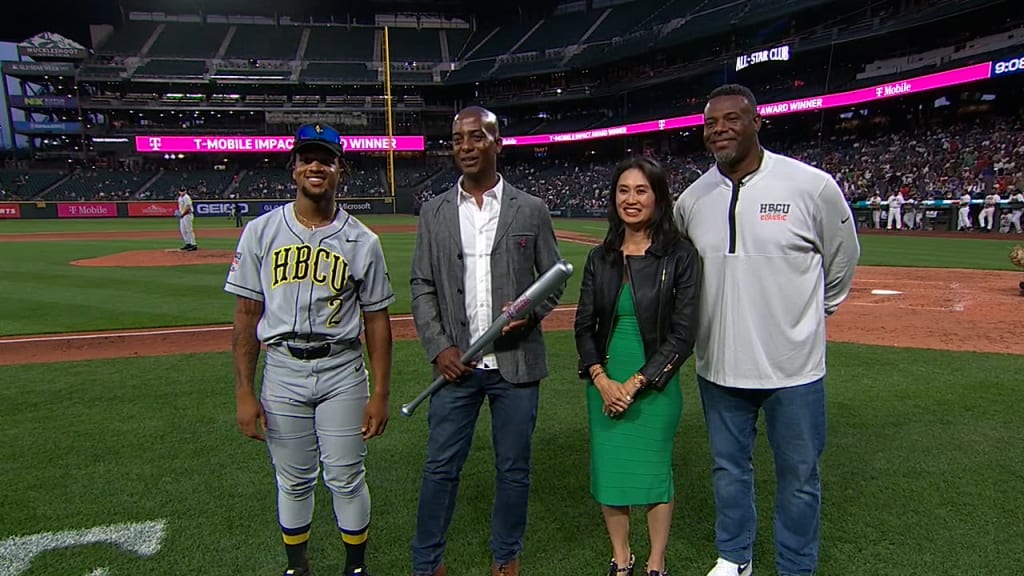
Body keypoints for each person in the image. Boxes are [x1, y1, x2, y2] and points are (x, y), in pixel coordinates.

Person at [673, 84, 860, 576]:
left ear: (757, 122)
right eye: (711, 123)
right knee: (729, 470)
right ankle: (735, 557)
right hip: (719, 366)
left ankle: (796, 566)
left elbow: (843, 258)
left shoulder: (811, 186)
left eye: (731, 119)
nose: (719, 130)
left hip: (793, 368)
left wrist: (815, 313)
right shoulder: (693, 199)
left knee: (799, 476)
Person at [225, 122, 394, 576]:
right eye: (307, 158)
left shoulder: (364, 241)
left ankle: (355, 568)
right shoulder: (260, 232)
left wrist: (380, 392)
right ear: (294, 168)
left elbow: (377, 320)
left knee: (345, 475)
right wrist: (244, 390)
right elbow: (245, 316)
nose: (316, 166)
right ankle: (297, 567)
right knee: (294, 480)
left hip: (342, 369)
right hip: (281, 369)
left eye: (326, 159)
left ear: (342, 169)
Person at [409, 106, 565, 576]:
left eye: (477, 137)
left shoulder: (531, 209)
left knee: (513, 470)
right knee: (440, 468)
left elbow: (554, 279)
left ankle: (505, 556)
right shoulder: (434, 210)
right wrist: (440, 348)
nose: (466, 147)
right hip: (457, 366)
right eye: (458, 139)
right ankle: (427, 561)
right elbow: (422, 284)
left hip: (515, 368)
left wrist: (531, 315)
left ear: (498, 142)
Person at [574, 156, 701, 576]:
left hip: (654, 384)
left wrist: (633, 384)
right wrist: (601, 380)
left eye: (641, 190)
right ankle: (622, 559)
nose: (631, 199)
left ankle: (655, 563)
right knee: (612, 473)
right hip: (604, 382)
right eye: (623, 190)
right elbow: (583, 328)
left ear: (659, 197)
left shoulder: (681, 256)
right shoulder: (601, 258)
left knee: (653, 473)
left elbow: (683, 334)